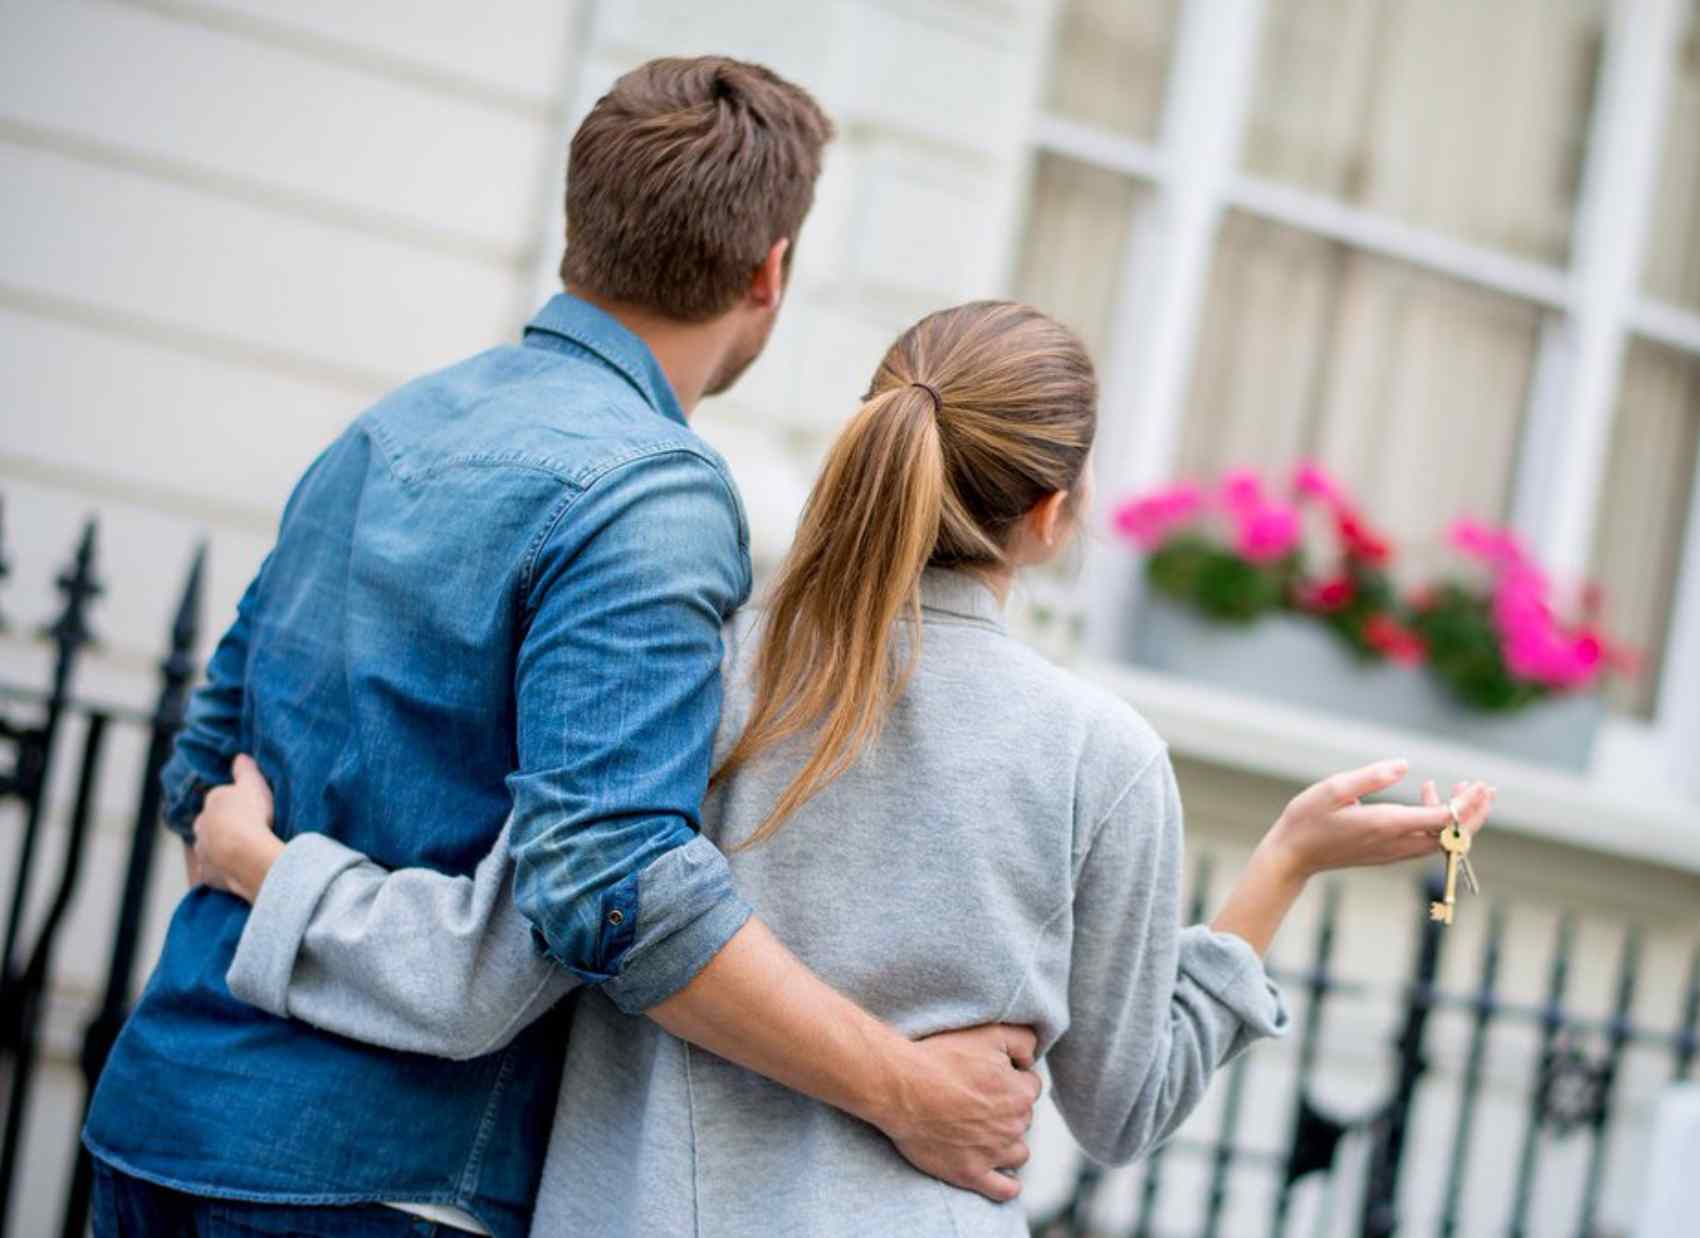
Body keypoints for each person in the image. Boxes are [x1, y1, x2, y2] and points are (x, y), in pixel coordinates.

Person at [188, 300, 1496, 1236]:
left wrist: (269, 869)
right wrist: (1285, 866)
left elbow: (495, 955)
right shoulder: (1103, 758)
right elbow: (1126, 1104)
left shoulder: (692, 672)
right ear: (1053, 516)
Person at [82, 58, 1041, 1238]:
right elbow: (614, 886)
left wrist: (267, 868)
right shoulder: (652, 490)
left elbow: (205, 775)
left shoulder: (394, 423)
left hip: (161, 1117)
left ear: (578, 226)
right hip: (375, 1178)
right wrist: (905, 1088)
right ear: (769, 271)